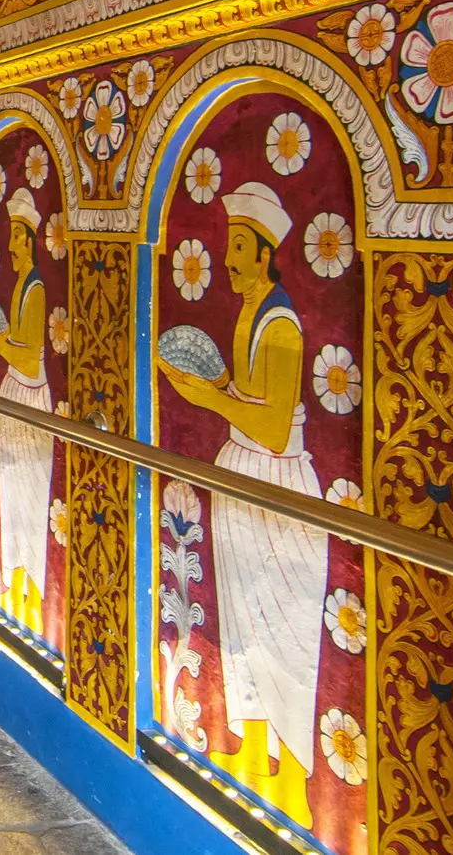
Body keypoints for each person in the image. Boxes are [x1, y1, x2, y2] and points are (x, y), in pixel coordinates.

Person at [155, 180, 325, 828]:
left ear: (266, 255)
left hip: (276, 479)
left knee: (285, 621)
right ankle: (263, 752)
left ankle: (301, 773)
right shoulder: (253, 312)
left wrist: (205, 398)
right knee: (247, 617)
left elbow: (277, 427)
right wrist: (216, 387)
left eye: (242, 247)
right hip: (243, 474)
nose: (230, 257)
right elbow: (248, 396)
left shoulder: (279, 321)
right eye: (230, 244)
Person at [0, 187, 55, 633]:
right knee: (13, 486)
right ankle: (18, 581)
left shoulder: (36, 287)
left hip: (28, 395)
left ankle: (35, 592)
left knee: (29, 493)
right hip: (14, 394)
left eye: (17, 238)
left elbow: (28, 355)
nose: (11, 245)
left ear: (30, 240)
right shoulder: (24, 283)